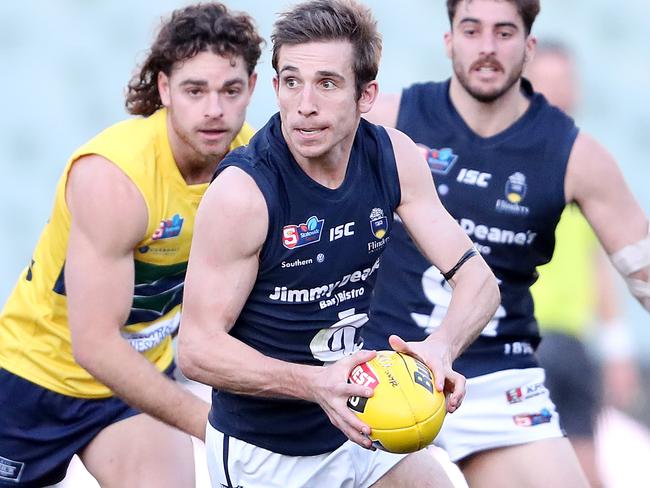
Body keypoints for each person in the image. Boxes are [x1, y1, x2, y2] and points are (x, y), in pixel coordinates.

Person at [178, 1, 500, 487]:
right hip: (268, 453)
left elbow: (479, 281)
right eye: (292, 82)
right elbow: (197, 351)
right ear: (276, 88)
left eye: (327, 83)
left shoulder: (393, 156)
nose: (305, 104)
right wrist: (314, 385)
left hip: (363, 427)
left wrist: (441, 349)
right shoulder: (245, 193)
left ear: (365, 94)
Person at [363, 1, 650, 487]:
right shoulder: (387, 119)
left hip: (497, 379)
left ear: (529, 46)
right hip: (386, 365)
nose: (488, 48)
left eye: (504, 32)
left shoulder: (575, 154)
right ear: (449, 39)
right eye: (472, 31)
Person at [0, 4, 262, 487]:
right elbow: (95, 344)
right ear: (164, 89)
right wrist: (217, 427)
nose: (214, 111)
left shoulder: (252, 165)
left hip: (134, 384)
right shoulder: (116, 176)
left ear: (251, 88)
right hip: (33, 377)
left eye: (231, 90)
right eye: (194, 90)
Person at [527, 41, 639, 488]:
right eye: (546, 83)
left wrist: (617, 349)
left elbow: (602, 263)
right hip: (522, 337)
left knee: (583, 462)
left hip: (564, 341)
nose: (556, 93)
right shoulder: (518, 157)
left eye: (563, 83)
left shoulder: (586, 164)